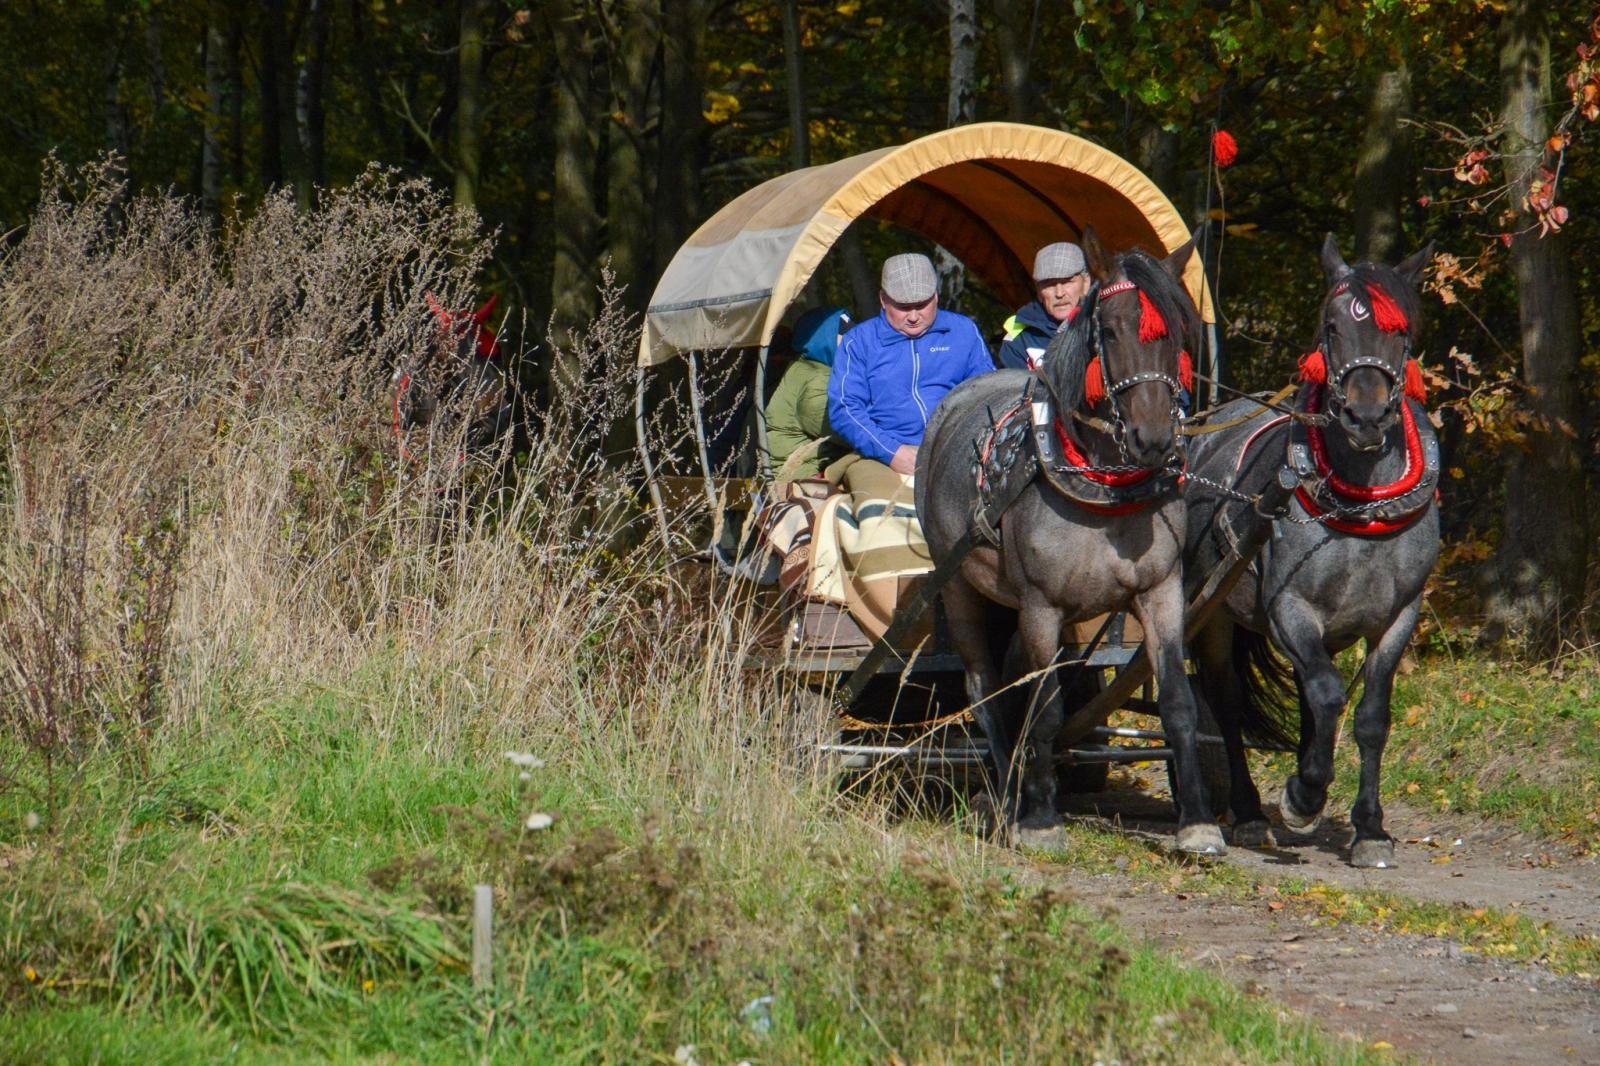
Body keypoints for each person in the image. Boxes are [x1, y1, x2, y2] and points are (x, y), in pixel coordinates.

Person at [828, 252, 994, 488]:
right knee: (879, 518)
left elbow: (985, 392)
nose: (914, 317)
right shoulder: (859, 341)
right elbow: (845, 408)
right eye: (904, 307)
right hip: (885, 455)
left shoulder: (963, 331)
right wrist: (891, 452)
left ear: (936, 297)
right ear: (883, 300)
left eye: (922, 305)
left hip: (959, 449)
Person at [765, 306, 851, 480]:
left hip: (788, 472)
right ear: (825, 339)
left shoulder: (800, 368)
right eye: (845, 338)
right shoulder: (816, 379)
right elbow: (847, 431)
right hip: (801, 476)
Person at [998, 241, 1091, 371]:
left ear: (1086, 283)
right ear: (1038, 292)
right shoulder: (1018, 339)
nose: (1059, 293)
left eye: (1067, 282)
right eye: (1050, 285)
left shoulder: (1108, 328)